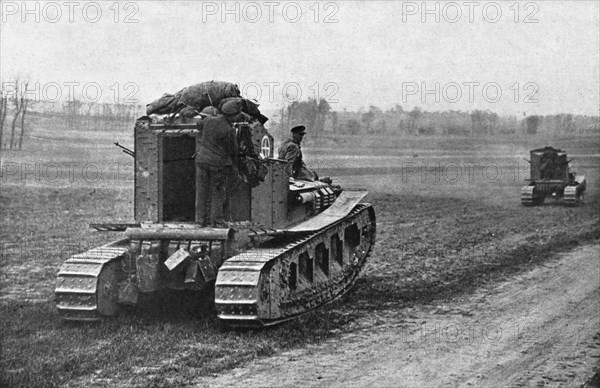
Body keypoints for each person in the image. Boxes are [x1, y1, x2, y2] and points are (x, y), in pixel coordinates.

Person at [195, 100, 240, 226]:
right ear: (232, 115)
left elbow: (198, 125)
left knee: (201, 192)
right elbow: (233, 150)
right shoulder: (229, 129)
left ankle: (200, 221)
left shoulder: (209, 120)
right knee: (217, 192)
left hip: (202, 161)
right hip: (218, 164)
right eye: (236, 116)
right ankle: (217, 221)